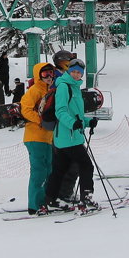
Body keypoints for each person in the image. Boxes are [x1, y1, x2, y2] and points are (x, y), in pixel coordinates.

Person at [39, 59, 99, 214]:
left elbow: (75, 114)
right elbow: (61, 111)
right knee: (86, 165)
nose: (76, 74)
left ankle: (51, 200)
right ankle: (86, 198)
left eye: (79, 72)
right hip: (68, 137)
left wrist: (87, 121)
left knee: (60, 169)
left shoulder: (74, 87)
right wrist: (73, 124)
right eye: (73, 71)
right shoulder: (64, 87)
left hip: (69, 136)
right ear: (68, 71)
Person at [20, 62, 56, 215]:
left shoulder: (50, 90)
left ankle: (44, 201)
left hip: (47, 137)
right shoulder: (34, 90)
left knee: (49, 170)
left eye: (50, 73)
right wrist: (41, 120)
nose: (48, 77)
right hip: (35, 137)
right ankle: (35, 204)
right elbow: (26, 109)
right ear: (38, 76)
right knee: (39, 171)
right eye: (44, 74)